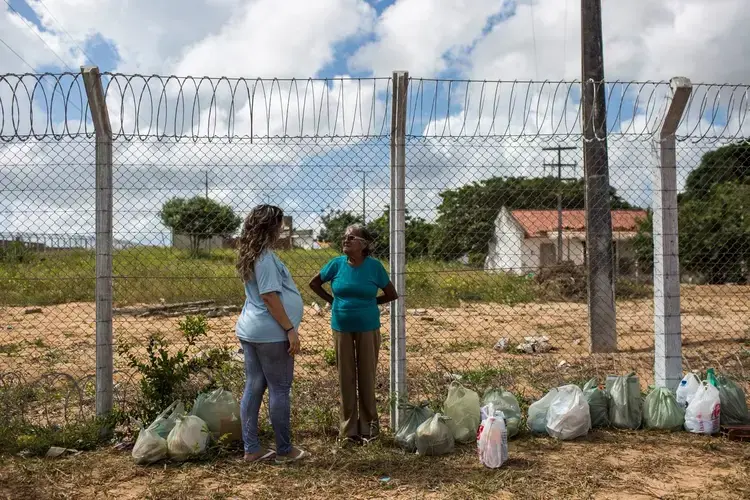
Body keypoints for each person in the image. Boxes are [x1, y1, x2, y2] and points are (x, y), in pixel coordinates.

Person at [309, 224, 398, 443]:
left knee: (367, 376)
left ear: (364, 244)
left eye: (351, 237)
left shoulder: (374, 267)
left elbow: (391, 293)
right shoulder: (336, 264)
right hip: (341, 326)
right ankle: (348, 431)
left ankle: (370, 429)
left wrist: (370, 303)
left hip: (368, 326)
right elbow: (314, 283)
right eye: (345, 237)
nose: (346, 240)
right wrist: (333, 301)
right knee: (345, 377)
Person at [235, 204, 307, 463]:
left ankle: (251, 448)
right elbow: (269, 296)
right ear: (270, 227)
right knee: (279, 389)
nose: (282, 229)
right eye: (280, 225)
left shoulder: (251, 254)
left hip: (252, 330)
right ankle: (285, 451)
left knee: (254, 386)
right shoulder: (264, 257)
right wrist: (290, 329)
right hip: (271, 333)